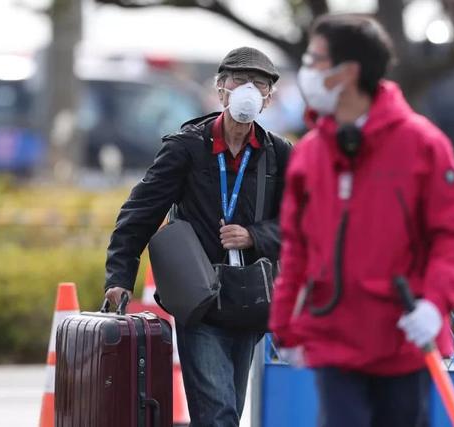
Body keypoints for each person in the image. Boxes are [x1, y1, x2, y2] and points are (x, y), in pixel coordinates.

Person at [269, 14, 454, 427]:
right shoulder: (311, 154)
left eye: (314, 60)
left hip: (405, 339)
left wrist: (435, 304)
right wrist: (284, 326)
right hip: (334, 337)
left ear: (346, 73)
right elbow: (295, 246)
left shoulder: (422, 144)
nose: (306, 72)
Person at [104, 46, 292, 427]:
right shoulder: (186, 148)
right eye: (240, 81)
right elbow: (139, 214)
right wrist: (119, 277)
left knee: (228, 410)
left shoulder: (279, 155)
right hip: (200, 299)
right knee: (218, 413)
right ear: (220, 88)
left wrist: (255, 236)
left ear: (269, 98)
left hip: (251, 300)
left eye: (259, 85)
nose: (249, 91)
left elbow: (301, 224)